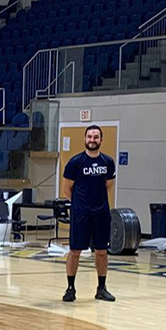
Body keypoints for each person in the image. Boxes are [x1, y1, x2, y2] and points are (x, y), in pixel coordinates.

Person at [60, 125, 116, 303]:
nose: (93, 140)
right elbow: (67, 189)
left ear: (101, 140)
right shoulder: (75, 162)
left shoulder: (108, 162)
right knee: (75, 251)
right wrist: (80, 204)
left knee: (101, 251)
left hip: (101, 213)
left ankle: (101, 288)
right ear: (85, 139)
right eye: (90, 137)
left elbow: (108, 185)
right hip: (81, 214)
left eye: (96, 137)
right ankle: (70, 288)